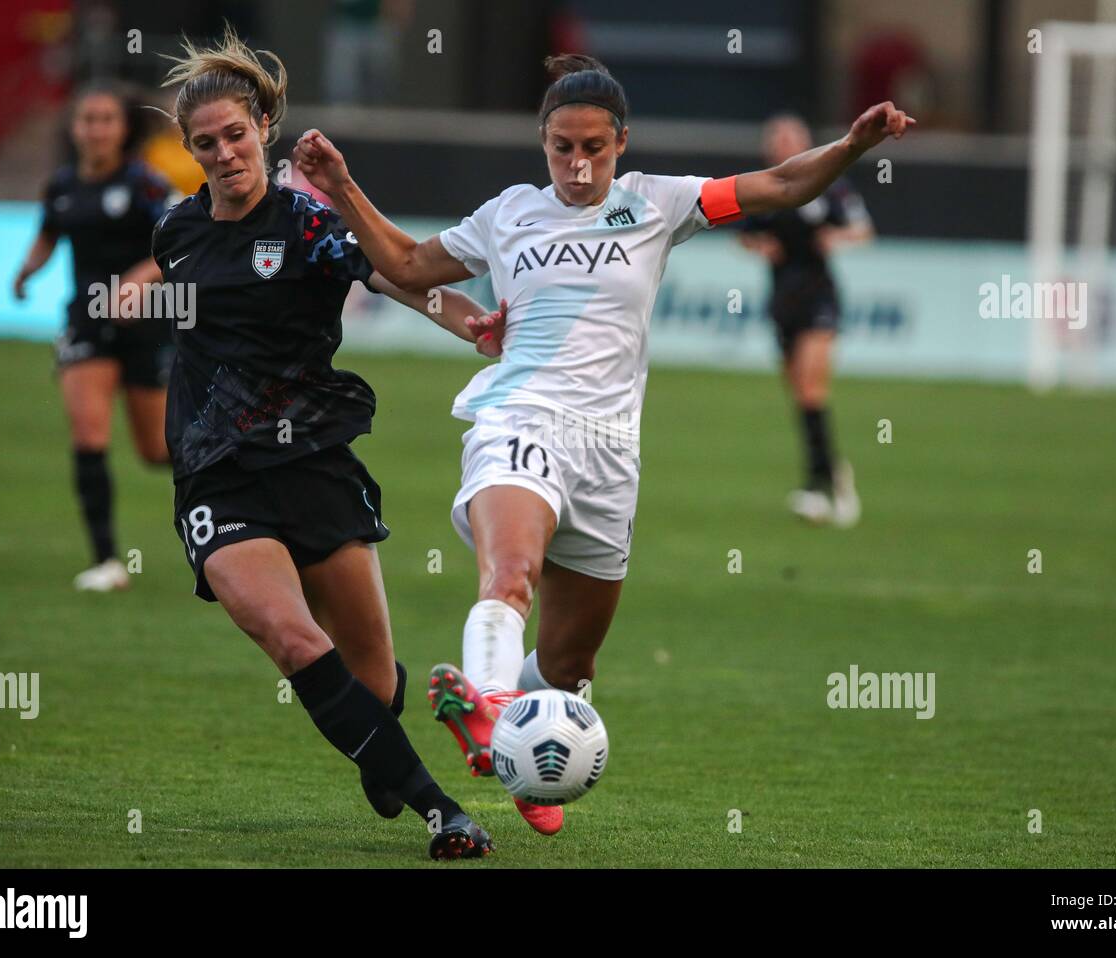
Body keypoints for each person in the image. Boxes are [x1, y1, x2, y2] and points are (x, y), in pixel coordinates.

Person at [293, 54, 913, 837]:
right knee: (509, 576)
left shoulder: (658, 203)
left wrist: (851, 145)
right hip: (520, 416)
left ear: (621, 141)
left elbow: (781, 185)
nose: (577, 166)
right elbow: (410, 264)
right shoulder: (510, 213)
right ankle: (486, 707)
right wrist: (343, 188)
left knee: (570, 666)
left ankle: (521, 744)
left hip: (611, 452)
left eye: (593, 147)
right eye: (561, 147)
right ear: (542, 142)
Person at [156, 25, 505, 859]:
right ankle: (442, 811)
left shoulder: (308, 223)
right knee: (294, 641)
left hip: (313, 460)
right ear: (191, 151)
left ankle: (381, 752)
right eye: (205, 144)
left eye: (235, 135)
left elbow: (398, 277)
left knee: (375, 681)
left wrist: (474, 326)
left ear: (263, 128)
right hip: (217, 478)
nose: (224, 153)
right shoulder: (176, 236)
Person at [13, 84, 172, 592]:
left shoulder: (146, 184)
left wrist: (137, 280)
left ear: (123, 129)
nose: (96, 128)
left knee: (156, 450)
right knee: (89, 435)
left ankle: (240, 501)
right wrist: (25, 272)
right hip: (85, 321)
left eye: (106, 119)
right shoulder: (61, 186)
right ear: (75, 127)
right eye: (88, 119)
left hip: (147, 324)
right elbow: (48, 234)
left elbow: (176, 245)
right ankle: (106, 562)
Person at [739, 113, 874, 526]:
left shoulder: (827, 184)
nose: (783, 144)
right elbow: (744, 232)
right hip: (783, 298)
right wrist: (758, 245)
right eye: (777, 138)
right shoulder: (763, 188)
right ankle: (833, 472)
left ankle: (816, 486)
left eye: (790, 137)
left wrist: (837, 237)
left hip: (820, 296)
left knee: (813, 387)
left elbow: (863, 229)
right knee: (801, 396)